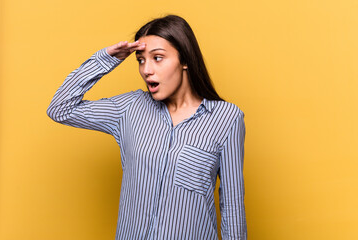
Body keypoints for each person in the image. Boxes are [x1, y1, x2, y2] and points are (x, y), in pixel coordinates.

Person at [47, 14, 247, 240]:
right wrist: (106, 59)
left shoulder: (226, 118)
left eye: (158, 58)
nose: (146, 70)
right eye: (141, 60)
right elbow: (60, 109)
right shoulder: (129, 108)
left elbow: (232, 205)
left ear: (185, 60)